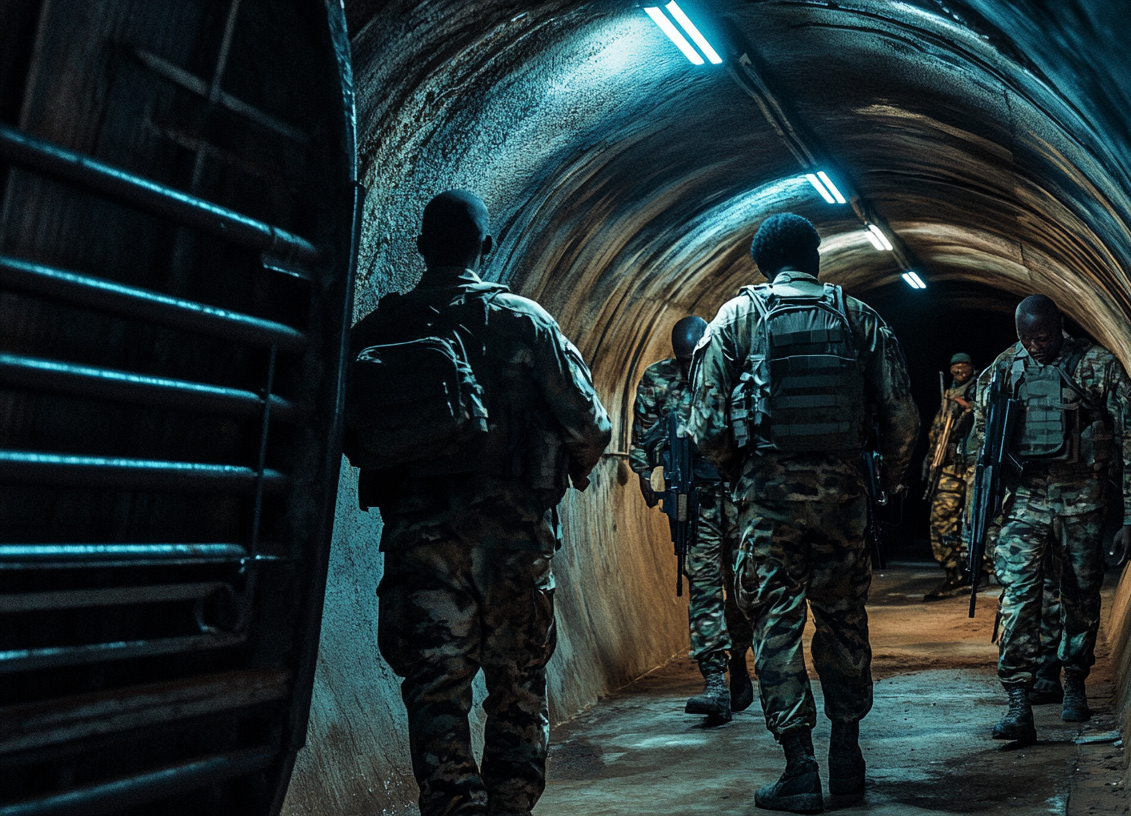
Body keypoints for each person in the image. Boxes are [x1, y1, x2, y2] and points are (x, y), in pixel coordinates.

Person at [348, 190, 612, 816]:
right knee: (517, 685)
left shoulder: (380, 329)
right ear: (486, 246)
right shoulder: (523, 320)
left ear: (420, 246)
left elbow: (345, 426)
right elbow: (590, 427)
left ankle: (453, 804)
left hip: (420, 545)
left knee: (435, 689)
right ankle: (511, 805)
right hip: (515, 545)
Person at [688, 213, 918, 812]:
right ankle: (847, 755)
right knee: (844, 622)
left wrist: (742, 472)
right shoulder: (858, 317)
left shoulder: (737, 319)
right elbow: (902, 417)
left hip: (768, 508)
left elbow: (707, 424)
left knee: (777, 631)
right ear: (816, 257)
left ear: (762, 263)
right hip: (844, 504)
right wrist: (885, 480)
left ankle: (800, 769)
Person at [964, 294, 1131, 742]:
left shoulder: (1096, 366)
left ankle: (1075, 683)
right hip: (1025, 502)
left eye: (1042, 337)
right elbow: (980, 449)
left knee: (1080, 596)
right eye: (1026, 338)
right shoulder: (1004, 370)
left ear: (1058, 326)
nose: (1034, 346)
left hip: (1083, 501)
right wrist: (978, 514)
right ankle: (1018, 701)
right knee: (1018, 597)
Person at [629, 316, 755, 721]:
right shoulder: (657, 377)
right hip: (692, 497)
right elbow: (643, 432)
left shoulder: (735, 369)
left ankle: (738, 658)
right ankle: (714, 681)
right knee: (702, 584)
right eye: (681, 360)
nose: (687, 368)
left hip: (737, 495)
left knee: (743, 586)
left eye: (693, 359)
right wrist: (644, 469)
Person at [922, 352, 977, 601]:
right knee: (942, 516)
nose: (959, 373)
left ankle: (981, 569)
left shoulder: (980, 388)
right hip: (950, 464)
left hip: (976, 464)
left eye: (964, 369)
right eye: (955, 369)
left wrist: (967, 409)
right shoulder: (948, 395)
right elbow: (937, 431)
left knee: (976, 519)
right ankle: (954, 572)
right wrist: (931, 458)